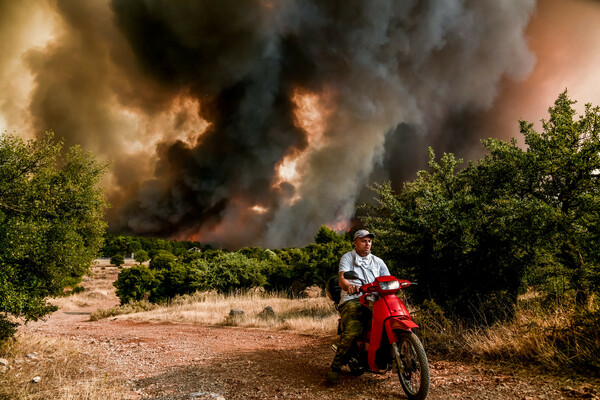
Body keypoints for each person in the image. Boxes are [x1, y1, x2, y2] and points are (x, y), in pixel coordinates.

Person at [327, 229, 390, 384]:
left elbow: (387, 278)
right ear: (355, 242)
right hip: (353, 299)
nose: (367, 243)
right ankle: (335, 367)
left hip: (375, 299)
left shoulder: (378, 261)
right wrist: (349, 286)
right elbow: (342, 279)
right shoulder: (348, 257)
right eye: (363, 241)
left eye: (369, 241)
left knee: (390, 320)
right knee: (354, 329)